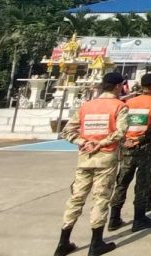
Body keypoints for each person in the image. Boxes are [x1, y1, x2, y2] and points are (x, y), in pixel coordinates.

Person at [54, 72, 128, 256]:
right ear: (118, 86)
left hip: (85, 157)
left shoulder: (86, 106)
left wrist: (83, 142)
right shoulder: (119, 106)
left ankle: (63, 242)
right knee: (101, 198)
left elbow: (67, 131)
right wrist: (100, 143)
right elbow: (121, 132)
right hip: (105, 157)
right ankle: (96, 243)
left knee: (76, 198)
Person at [109, 73, 151, 232]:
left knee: (122, 182)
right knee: (142, 183)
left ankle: (114, 218)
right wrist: (140, 139)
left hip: (127, 147)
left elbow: (119, 124)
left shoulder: (128, 102)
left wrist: (127, 139)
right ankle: (139, 218)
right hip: (146, 149)